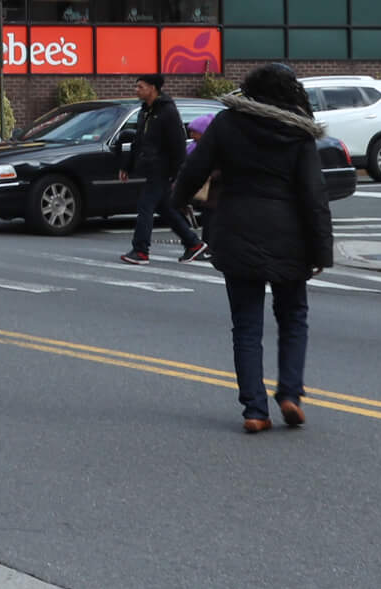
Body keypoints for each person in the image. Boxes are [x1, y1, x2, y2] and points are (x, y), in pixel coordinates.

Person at [171, 63, 334, 434]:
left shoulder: (228, 123)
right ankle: (290, 393)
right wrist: (321, 250)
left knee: (246, 326)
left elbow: (194, 168)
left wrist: (178, 199)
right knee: (293, 317)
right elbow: (314, 197)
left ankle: (254, 410)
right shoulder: (299, 132)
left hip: (236, 231)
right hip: (289, 237)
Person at [118, 74, 207, 266]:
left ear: (153, 88)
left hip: (163, 168)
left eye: (140, 87)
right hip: (150, 166)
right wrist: (127, 166)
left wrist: (178, 174)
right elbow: (138, 142)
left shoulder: (168, 112)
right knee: (164, 208)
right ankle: (193, 244)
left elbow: (178, 146)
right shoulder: (145, 111)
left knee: (145, 205)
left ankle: (141, 250)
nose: (137, 91)